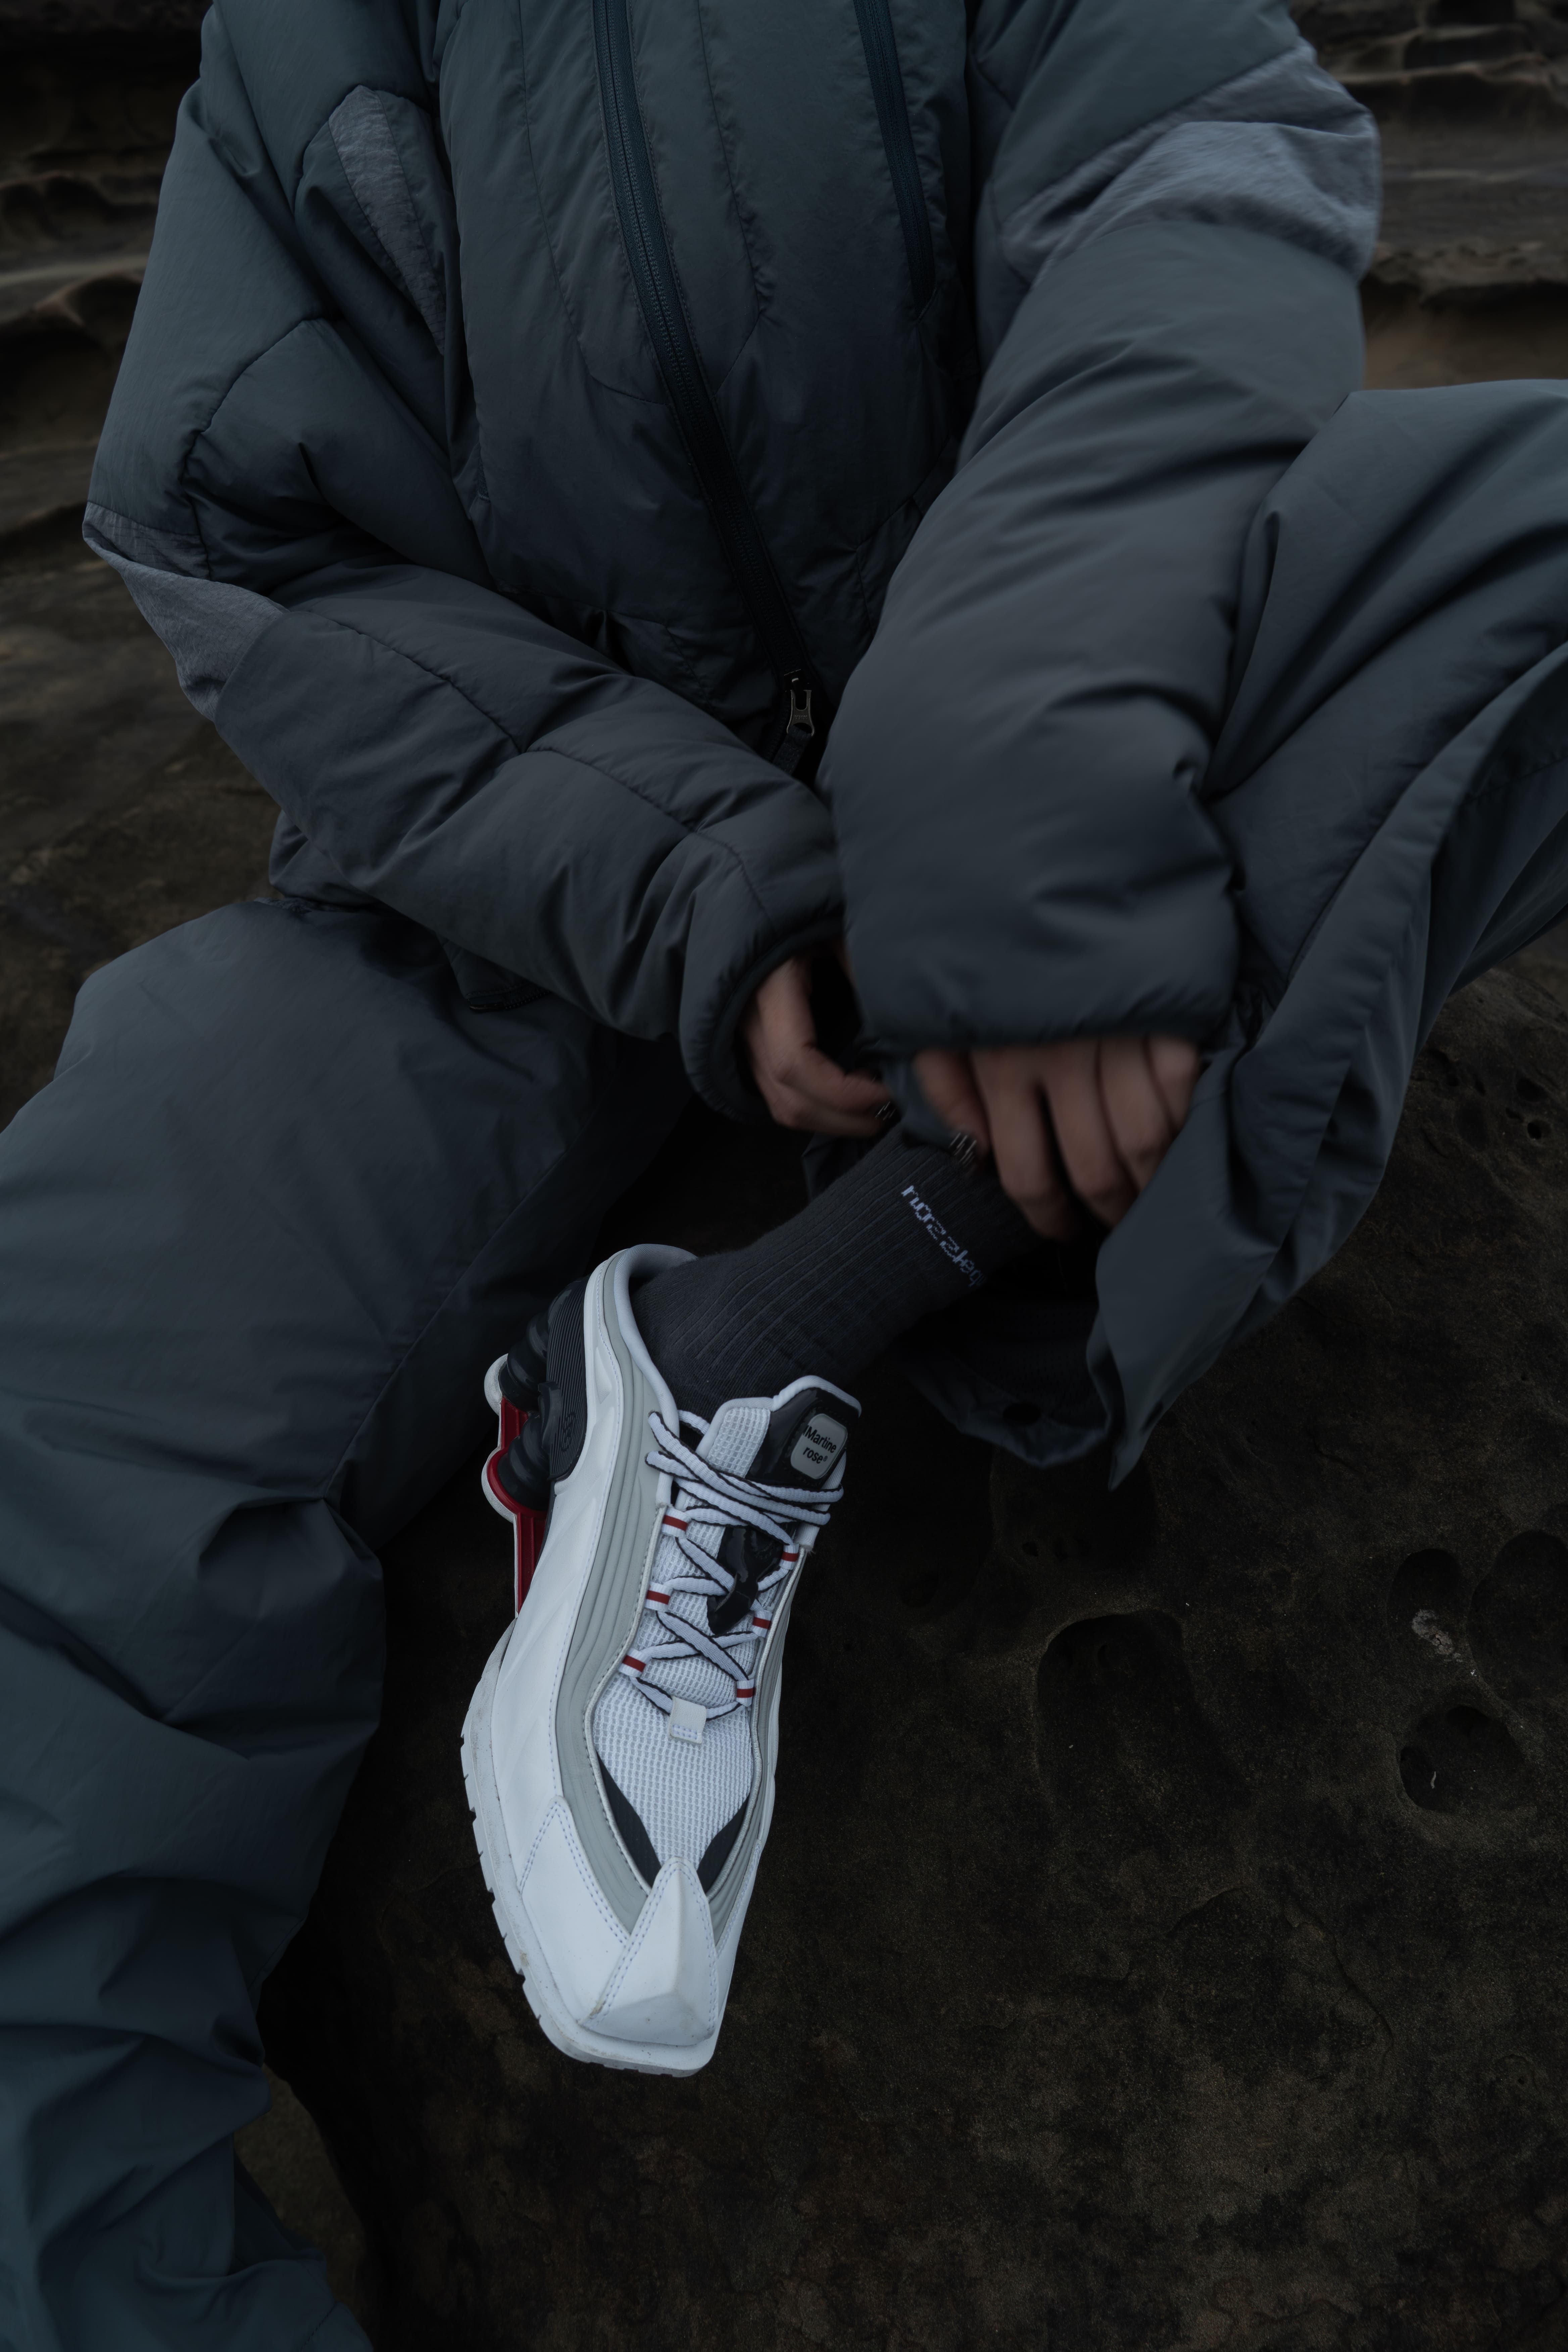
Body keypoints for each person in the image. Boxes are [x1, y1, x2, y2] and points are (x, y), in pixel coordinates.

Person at [7, 0, 1568, 2337]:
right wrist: (705, 883)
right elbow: (238, 526)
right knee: (55, 1417)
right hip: (495, 916)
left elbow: (1197, 188)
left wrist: (1015, 778)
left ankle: (765, 1330)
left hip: (1093, 761)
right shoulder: (304, 44)